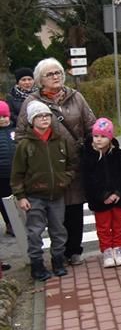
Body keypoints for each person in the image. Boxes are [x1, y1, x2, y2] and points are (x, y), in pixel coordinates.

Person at [16, 58, 96, 265]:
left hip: (74, 163)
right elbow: (21, 134)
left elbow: (91, 125)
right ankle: (57, 255)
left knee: (75, 207)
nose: (55, 76)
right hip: (47, 168)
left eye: (58, 72)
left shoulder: (76, 97)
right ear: (40, 80)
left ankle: (74, 251)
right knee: (52, 215)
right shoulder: (32, 101)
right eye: (50, 74)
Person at [11, 102, 75, 281]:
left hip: (57, 195)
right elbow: (17, 173)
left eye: (47, 115)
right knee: (35, 232)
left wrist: (65, 180)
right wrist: (21, 196)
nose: (44, 119)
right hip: (34, 196)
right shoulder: (25, 145)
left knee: (58, 230)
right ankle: (37, 265)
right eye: (39, 116)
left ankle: (58, 261)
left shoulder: (60, 140)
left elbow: (72, 164)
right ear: (32, 120)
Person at [80, 118, 121, 268]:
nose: (99, 139)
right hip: (100, 200)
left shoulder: (119, 155)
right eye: (96, 136)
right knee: (103, 226)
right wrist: (103, 195)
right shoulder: (88, 156)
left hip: (118, 199)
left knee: (119, 224)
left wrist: (118, 193)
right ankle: (107, 250)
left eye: (103, 136)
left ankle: (118, 248)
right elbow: (88, 180)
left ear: (110, 138)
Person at [0, 101, 15, 237]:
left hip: (16, 172)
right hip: (2, 175)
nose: (2, 119)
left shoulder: (14, 131)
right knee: (5, 200)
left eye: (4, 116)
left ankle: (21, 221)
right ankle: (10, 223)